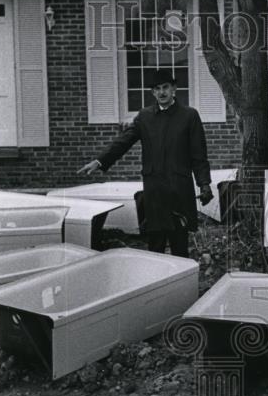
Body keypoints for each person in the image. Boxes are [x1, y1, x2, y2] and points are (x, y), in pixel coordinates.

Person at [79, 69, 213, 257]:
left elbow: (199, 155)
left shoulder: (189, 116)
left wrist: (204, 184)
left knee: (180, 246)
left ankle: (182, 284)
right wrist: (100, 161)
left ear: (174, 88)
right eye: (157, 89)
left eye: (165, 87)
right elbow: (123, 141)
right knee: (155, 247)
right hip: (155, 191)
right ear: (152, 92)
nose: (162, 92)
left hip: (179, 191)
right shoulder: (145, 117)